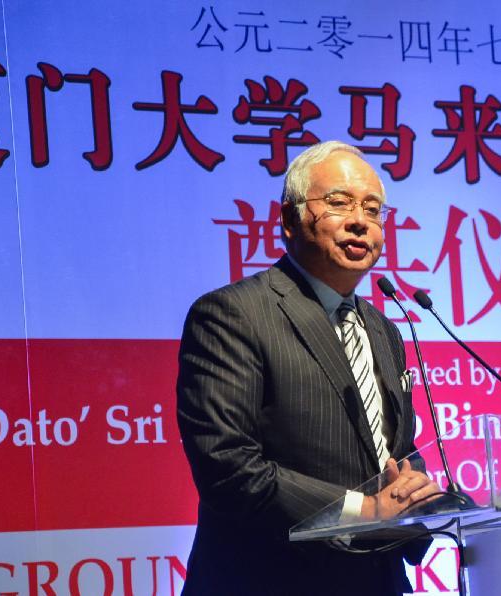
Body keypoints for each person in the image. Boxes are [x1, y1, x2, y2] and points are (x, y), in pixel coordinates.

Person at [176, 141, 440, 595]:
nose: (361, 220)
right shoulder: (233, 314)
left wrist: (422, 499)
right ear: (289, 218)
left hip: (376, 582)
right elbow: (229, 467)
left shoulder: (383, 329)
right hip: (270, 580)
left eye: (374, 209)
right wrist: (367, 510)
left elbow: (391, 451)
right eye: (338, 203)